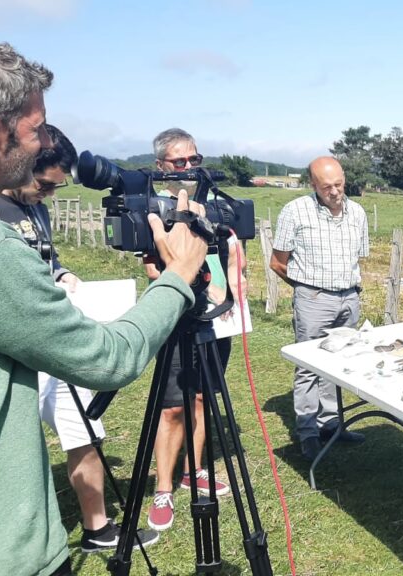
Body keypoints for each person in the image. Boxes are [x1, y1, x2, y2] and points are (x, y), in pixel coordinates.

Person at [0, 39, 208, 576]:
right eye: (36, 130)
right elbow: (106, 360)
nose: (41, 146)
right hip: (5, 552)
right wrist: (177, 278)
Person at [0, 124, 159, 553]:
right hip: (13, 344)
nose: (48, 196)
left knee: (84, 426)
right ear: (23, 164)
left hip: (52, 335)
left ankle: (97, 527)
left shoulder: (35, 209)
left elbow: (48, 257)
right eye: (46, 185)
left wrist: (63, 275)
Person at [144, 127, 238, 532]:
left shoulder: (214, 203)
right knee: (172, 407)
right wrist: (198, 282)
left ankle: (193, 470)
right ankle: (163, 486)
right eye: (178, 162)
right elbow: (152, 268)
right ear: (161, 165)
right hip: (177, 316)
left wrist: (236, 278)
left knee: (201, 399)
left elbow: (233, 250)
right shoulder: (152, 208)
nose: (187, 168)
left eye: (194, 160)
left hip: (216, 315)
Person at [270, 156, 370, 461]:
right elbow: (277, 262)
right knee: (309, 365)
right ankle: (308, 432)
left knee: (338, 364)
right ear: (313, 185)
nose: (335, 191)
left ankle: (331, 425)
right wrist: (306, 290)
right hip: (313, 299)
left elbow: (358, 257)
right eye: (327, 186)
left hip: (348, 298)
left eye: (339, 184)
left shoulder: (357, 213)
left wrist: (348, 291)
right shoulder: (295, 211)